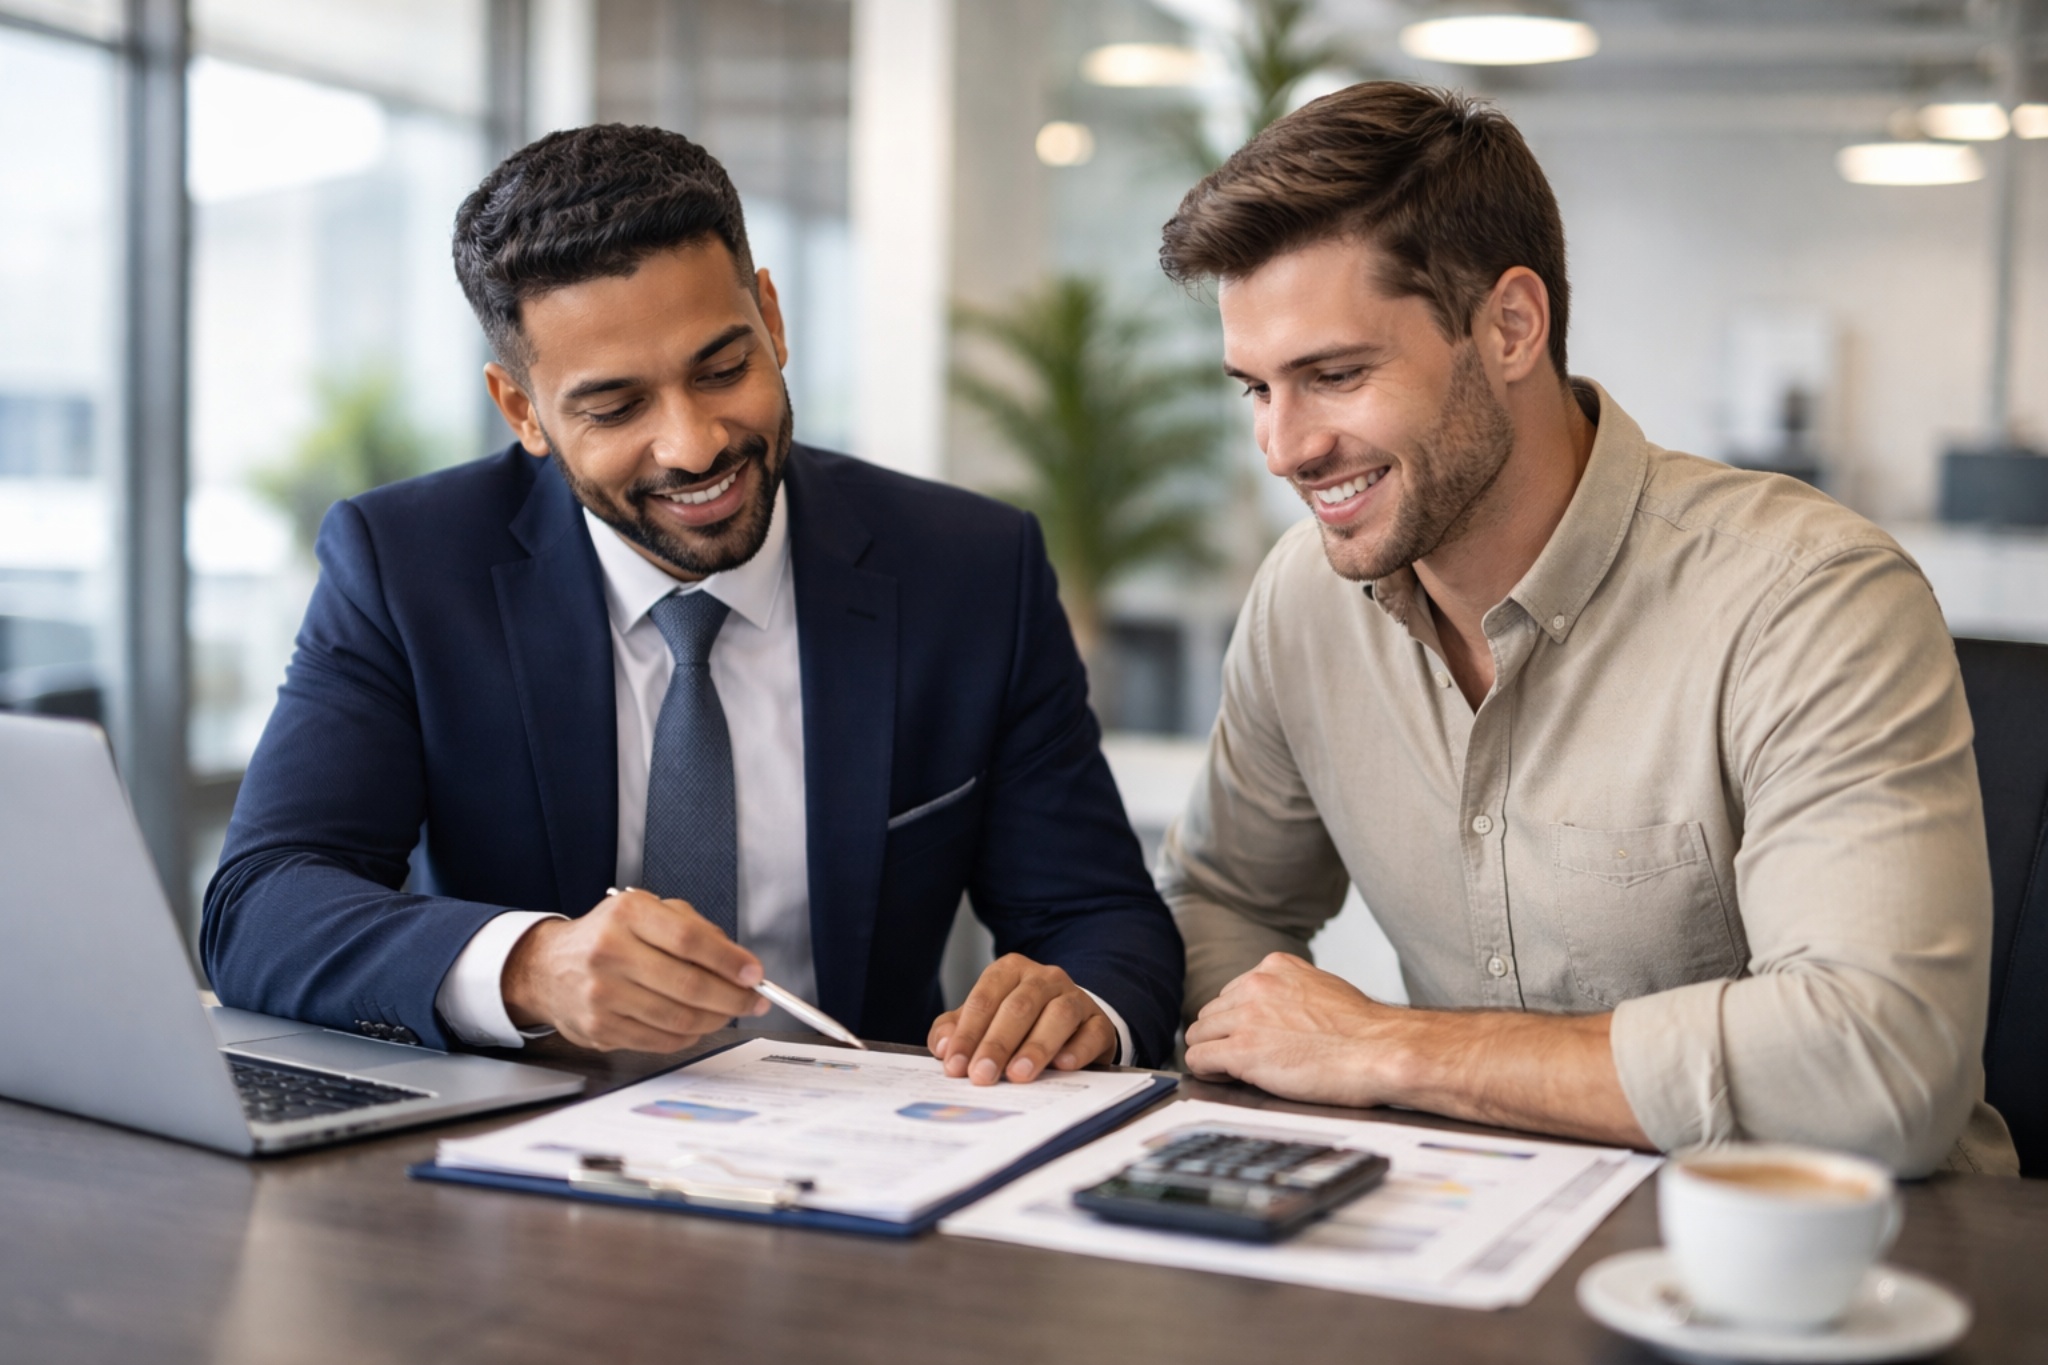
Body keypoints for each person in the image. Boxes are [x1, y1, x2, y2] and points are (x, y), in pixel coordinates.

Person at [1154, 82, 2017, 1175]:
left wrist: (1394, 1050)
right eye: (1254, 391)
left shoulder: (1805, 598)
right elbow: (1221, 899)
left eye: (1334, 376)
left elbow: (1878, 1063)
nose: (1282, 447)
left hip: (1836, 1268)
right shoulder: (1302, 602)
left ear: (1510, 326)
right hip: (1467, 1235)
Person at [202, 124, 1182, 1082]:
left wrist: (1075, 1006)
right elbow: (261, 904)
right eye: (616, 406)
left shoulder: (967, 570)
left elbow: (1098, 921)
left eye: (722, 369)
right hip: (517, 1162)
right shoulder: (409, 568)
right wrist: (533, 967)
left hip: (862, 1162)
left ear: (771, 317)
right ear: (521, 411)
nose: (693, 445)